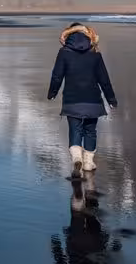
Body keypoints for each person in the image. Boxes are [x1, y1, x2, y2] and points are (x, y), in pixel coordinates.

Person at [47, 22, 118, 175]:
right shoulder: (95, 53)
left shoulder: (64, 52)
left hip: (72, 100)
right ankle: (88, 163)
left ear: (68, 35)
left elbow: (57, 75)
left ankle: (77, 157)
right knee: (90, 131)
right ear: (88, 36)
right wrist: (111, 99)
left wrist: (52, 92)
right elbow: (104, 79)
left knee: (75, 129)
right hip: (93, 100)